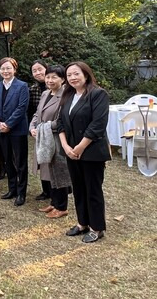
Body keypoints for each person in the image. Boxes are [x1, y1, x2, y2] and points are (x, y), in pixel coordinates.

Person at [57, 62, 110, 243]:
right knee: (78, 188)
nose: (72, 77)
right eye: (69, 75)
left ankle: (97, 227)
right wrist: (65, 146)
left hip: (91, 151)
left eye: (76, 74)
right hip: (71, 151)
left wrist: (80, 147)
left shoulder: (98, 94)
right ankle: (82, 223)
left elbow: (98, 125)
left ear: (85, 74)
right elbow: (60, 123)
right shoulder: (68, 94)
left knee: (92, 189)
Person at [29, 65, 71, 219]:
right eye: (48, 77)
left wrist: (41, 128)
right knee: (48, 171)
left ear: (63, 79)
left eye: (54, 77)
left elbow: (62, 120)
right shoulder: (46, 93)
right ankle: (53, 202)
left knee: (59, 172)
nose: (50, 80)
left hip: (56, 139)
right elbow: (37, 113)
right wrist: (32, 126)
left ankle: (62, 207)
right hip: (43, 138)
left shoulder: (66, 95)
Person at [0, 57, 30, 206]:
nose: (6, 71)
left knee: (20, 162)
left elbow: (22, 108)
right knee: (7, 160)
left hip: (17, 129)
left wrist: (8, 124)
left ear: (14, 69)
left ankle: (21, 193)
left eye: (8, 68)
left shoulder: (22, 86)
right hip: (1, 129)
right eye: (3, 69)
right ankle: (12, 189)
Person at [28, 60, 49, 199]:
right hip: (40, 129)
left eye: (40, 69)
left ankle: (63, 189)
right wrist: (32, 127)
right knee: (41, 159)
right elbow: (32, 110)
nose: (37, 73)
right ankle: (46, 190)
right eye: (34, 71)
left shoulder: (58, 86)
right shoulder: (34, 89)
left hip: (55, 128)